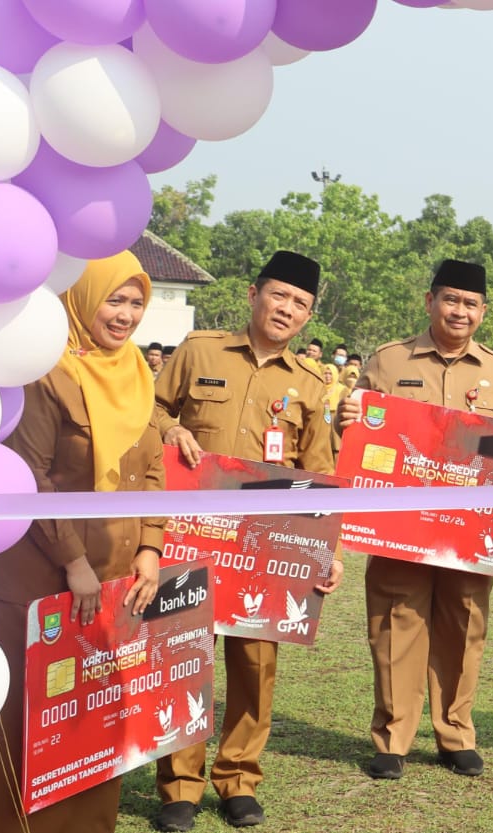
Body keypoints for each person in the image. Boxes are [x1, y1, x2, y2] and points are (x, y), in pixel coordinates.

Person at [0, 251, 166, 833]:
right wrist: (74, 562)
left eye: (136, 303)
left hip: (117, 586)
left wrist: (150, 549)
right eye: (113, 300)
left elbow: (152, 470)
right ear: (81, 299)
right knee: (26, 723)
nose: (125, 316)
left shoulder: (137, 373)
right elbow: (34, 473)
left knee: (97, 721)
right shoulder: (48, 370)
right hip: (40, 585)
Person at [151, 251, 341, 832]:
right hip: (191, 535)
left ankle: (238, 779)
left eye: (300, 304)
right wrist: (172, 427)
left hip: (266, 549)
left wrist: (326, 554)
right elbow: (151, 407)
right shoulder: (199, 351)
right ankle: (180, 787)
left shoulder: (309, 385)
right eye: (279, 296)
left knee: (256, 664)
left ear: (308, 317)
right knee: (184, 652)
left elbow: (320, 477)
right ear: (254, 292)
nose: (287, 310)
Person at [337, 258, 493, 782]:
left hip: (472, 530)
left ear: (483, 312)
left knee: (464, 625)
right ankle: (392, 737)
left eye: (470, 303)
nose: (459, 311)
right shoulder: (388, 362)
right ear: (430, 301)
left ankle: (455, 733)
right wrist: (346, 420)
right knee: (394, 624)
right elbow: (357, 436)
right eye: (450, 299)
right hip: (399, 522)